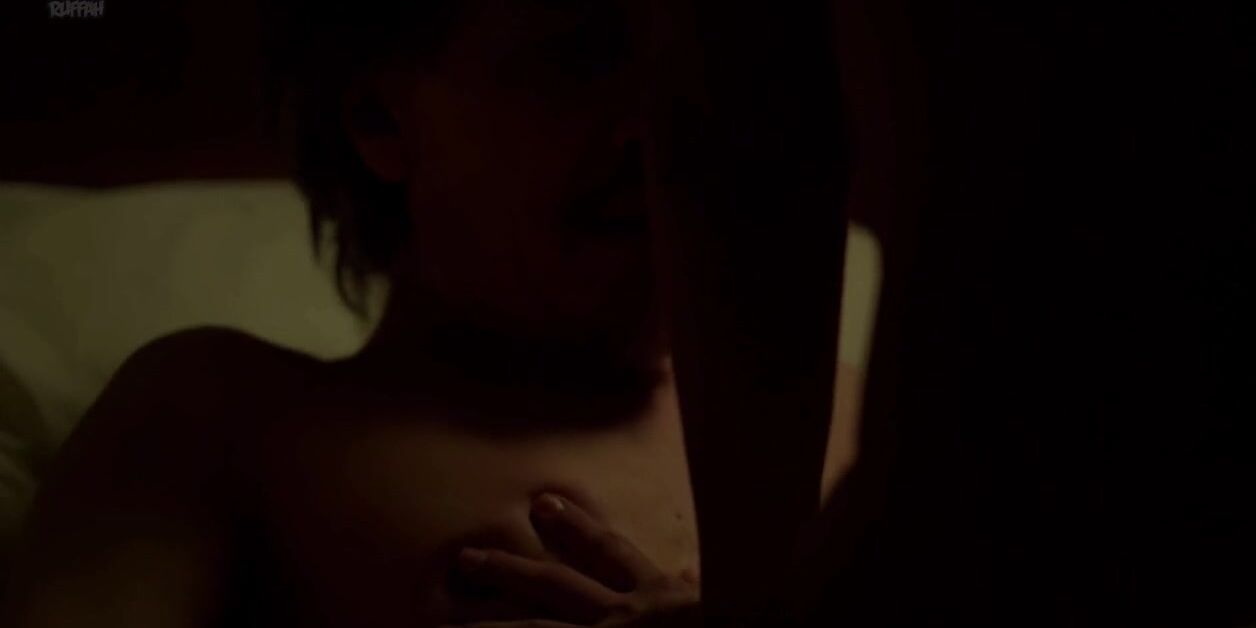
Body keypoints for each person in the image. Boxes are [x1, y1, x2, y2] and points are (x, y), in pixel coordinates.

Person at [1, 1, 861, 626]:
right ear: (382, 119)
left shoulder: (860, 413)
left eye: (696, 77)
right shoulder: (226, 419)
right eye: (584, 58)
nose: (661, 128)